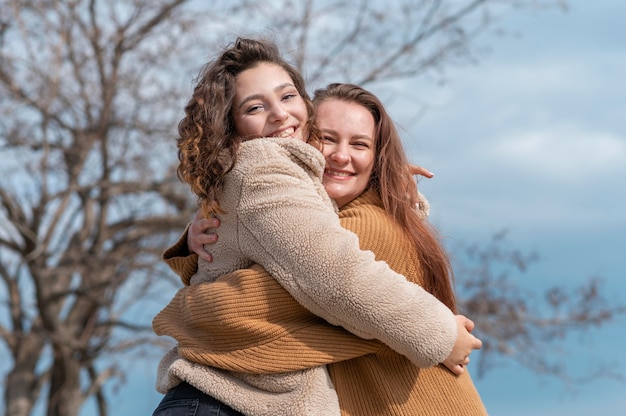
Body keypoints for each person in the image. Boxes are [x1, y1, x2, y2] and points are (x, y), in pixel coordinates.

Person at [151, 37, 481, 416]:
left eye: (360, 145)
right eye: (327, 139)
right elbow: (331, 273)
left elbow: (311, 281)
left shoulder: (367, 222)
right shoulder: (267, 171)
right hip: (221, 401)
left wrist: (198, 305)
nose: (279, 115)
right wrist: (441, 333)